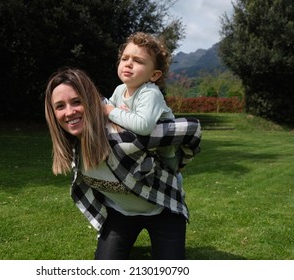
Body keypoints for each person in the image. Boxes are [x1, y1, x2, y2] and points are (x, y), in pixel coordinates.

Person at [45, 68, 201, 260]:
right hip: (120, 213)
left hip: (163, 208)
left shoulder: (124, 138)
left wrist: (178, 163)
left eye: (77, 102)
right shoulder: (72, 147)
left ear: (91, 101)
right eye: (60, 106)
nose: (69, 112)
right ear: (52, 113)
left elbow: (191, 130)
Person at [104, 32, 183, 173]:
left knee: (170, 175)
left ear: (154, 75)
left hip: (163, 148)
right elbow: (107, 108)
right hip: (142, 148)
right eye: (124, 58)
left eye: (138, 61)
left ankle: (175, 184)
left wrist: (110, 111)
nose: (128, 64)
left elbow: (143, 126)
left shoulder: (150, 93)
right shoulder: (119, 90)